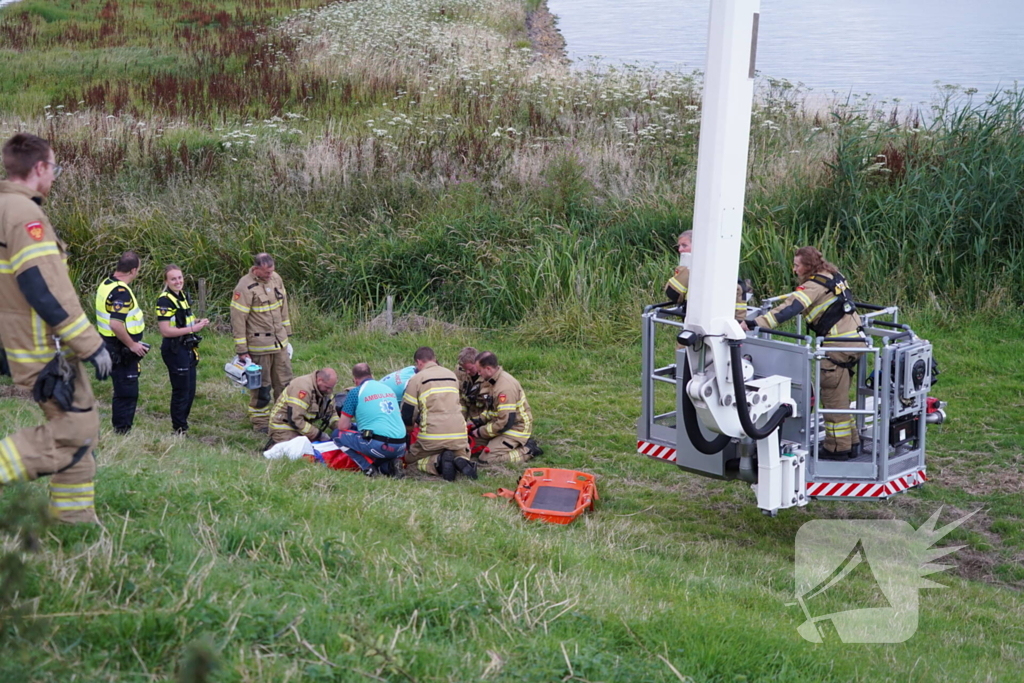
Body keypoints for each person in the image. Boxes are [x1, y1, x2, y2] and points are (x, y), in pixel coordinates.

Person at [0, 132, 111, 523]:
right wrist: (90, 344)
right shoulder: (25, 216)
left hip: (17, 339)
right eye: (55, 168)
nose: (54, 176)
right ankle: (71, 517)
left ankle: (73, 519)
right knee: (76, 430)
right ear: (40, 168)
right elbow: (43, 286)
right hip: (36, 344)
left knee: (81, 424)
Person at [746, 246, 865, 460]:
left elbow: (790, 308)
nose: (794, 269)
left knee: (832, 399)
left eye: (797, 265)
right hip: (855, 340)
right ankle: (852, 442)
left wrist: (754, 323)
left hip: (837, 346)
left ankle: (836, 448)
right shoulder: (832, 275)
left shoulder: (813, 286)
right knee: (840, 396)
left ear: (808, 266)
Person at [231, 253, 292, 432]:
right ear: (256, 269)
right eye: (266, 272)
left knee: (285, 382)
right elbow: (238, 319)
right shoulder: (244, 287)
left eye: (272, 271)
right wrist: (242, 350)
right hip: (258, 347)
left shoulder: (276, 279)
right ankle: (261, 423)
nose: (269, 275)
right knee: (262, 387)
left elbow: (284, 306)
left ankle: (284, 418)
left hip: (279, 343)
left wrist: (286, 332)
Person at [401, 347, 475, 481]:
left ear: (419, 362)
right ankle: (461, 459)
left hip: (432, 437)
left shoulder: (417, 379)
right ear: (434, 359)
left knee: (410, 461)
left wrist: (409, 431)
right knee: (459, 450)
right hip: (458, 435)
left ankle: (437, 462)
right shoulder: (452, 376)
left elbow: (408, 413)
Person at [95, 250, 147, 434]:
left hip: (109, 345)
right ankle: (122, 430)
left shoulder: (106, 284)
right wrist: (132, 345)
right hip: (121, 347)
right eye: (138, 269)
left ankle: (121, 427)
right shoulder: (121, 292)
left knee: (121, 387)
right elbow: (116, 324)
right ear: (133, 270)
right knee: (127, 391)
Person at [155, 264, 209, 434]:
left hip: (187, 347)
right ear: (166, 281)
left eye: (179, 278)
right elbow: (165, 330)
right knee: (181, 390)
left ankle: (182, 424)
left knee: (190, 390)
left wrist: (198, 323)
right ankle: (179, 429)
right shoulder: (164, 300)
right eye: (173, 279)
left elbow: (186, 320)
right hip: (174, 349)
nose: (178, 281)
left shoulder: (183, 296)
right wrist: (193, 329)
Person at [334, 363, 407, 476]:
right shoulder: (388, 388)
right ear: (372, 375)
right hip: (401, 445)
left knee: (337, 434)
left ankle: (367, 468)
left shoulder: (355, 393)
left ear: (355, 380)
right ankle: (390, 465)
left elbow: (342, 426)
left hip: (380, 445)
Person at [469, 352, 541, 465]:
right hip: (500, 424)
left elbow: (505, 422)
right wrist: (476, 422)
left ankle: (528, 450)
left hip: (516, 428)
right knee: (469, 445)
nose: (478, 373)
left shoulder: (504, 388)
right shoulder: (491, 381)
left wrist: (481, 431)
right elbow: (492, 410)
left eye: (479, 370)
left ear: (488, 368)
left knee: (486, 459)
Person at [664, 230, 748, 322]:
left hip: (706, 322)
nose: (680, 250)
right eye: (679, 246)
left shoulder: (705, 269)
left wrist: (685, 270)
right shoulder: (720, 265)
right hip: (696, 320)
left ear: (698, 246)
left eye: (684, 245)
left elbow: (673, 293)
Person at [267, 368, 338, 445]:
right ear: (319, 380)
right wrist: (318, 434)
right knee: (301, 450)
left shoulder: (325, 390)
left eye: (331, 387)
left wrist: (340, 428)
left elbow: (331, 413)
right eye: (327, 387)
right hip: (283, 426)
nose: (330, 391)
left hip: (300, 427)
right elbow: (295, 419)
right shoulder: (302, 389)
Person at [455, 346, 484, 420]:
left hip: (482, 416)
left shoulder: (487, 375)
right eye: (465, 369)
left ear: (478, 363)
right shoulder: (459, 371)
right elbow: (459, 396)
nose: (467, 372)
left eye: (470, 369)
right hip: (467, 415)